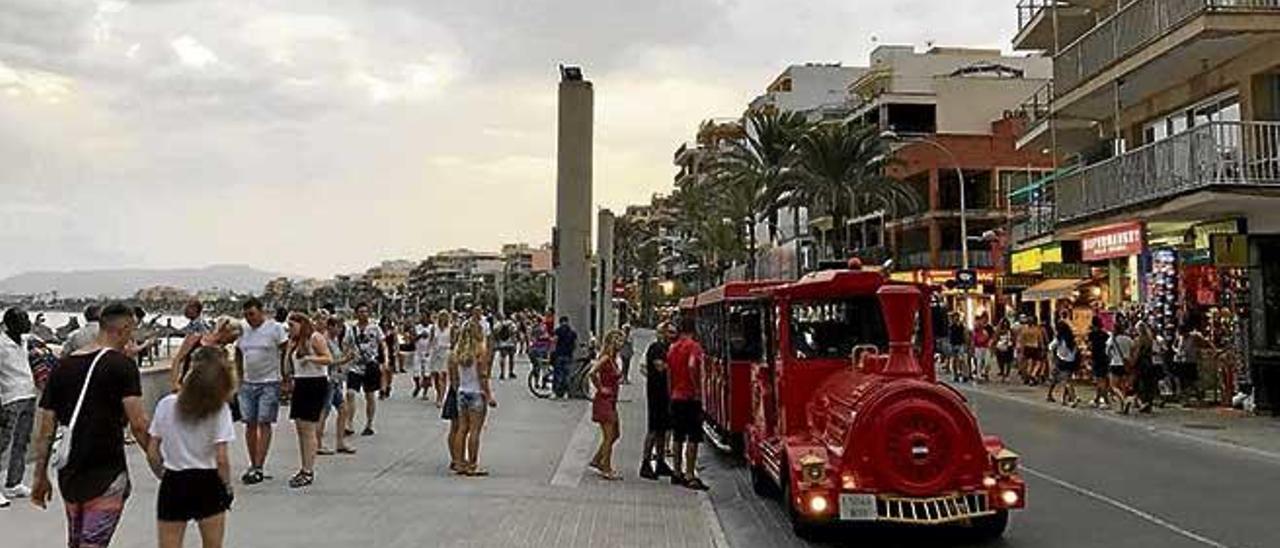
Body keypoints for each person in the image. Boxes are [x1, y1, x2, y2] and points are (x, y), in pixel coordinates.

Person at [31, 303, 152, 548]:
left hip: (70, 472)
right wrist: (160, 463)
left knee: (76, 542)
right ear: (125, 328)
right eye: (133, 329)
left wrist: (40, 476)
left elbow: (46, 429)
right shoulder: (123, 366)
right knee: (93, 543)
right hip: (106, 471)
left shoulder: (62, 367)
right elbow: (139, 425)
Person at [146, 347, 236, 548]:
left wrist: (162, 473)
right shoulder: (219, 409)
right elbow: (221, 458)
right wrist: (227, 487)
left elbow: (152, 451)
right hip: (208, 481)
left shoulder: (166, 404)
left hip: (175, 480)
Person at [228, 298, 287, 486]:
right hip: (247, 383)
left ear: (261, 312)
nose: (249, 318)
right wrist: (238, 375)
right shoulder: (243, 330)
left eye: (252, 314)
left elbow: (286, 350)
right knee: (249, 424)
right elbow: (237, 352)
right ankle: (253, 463)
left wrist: (286, 376)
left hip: (270, 382)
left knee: (264, 422)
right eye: (246, 315)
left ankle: (259, 466)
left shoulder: (275, 329)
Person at [284, 313, 333, 488]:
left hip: (315, 382)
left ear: (301, 324)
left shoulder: (315, 338)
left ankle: (308, 470)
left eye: (292, 326)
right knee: (300, 427)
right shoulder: (295, 342)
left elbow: (328, 358)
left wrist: (310, 358)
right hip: (301, 382)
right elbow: (288, 367)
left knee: (308, 428)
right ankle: (304, 465)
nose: (290, 329)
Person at [448, 320, 496, 476]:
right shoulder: (480, 351)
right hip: (476, 393)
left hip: (462, 392)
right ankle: (472, 464)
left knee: (462, 429)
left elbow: (454, 378)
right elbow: (483, 376)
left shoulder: (457, 352)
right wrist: (489, 396)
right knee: (475, 430)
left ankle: (459, 462)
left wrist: (457, 389)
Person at [667, 317, 709, 491]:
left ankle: (676, 471)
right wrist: (697, 389)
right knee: (693, 437)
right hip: (690, 397)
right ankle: (690, 474)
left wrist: (670, 392)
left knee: (677, 435)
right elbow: (692, 366)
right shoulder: (694, 347)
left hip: (676, 396)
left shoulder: (672, 348)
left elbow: (669, 373)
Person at [1, 308, 37, 507]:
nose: (27, 322)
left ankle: (14, 482)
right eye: (22, 319)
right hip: (9, 398)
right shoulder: (1, 344)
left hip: (28, 394)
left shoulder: (24, 341)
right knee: (2, 445)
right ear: (10, 323)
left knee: (22, 442)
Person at [640, 323, 676, 481]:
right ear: (661, 333)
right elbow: (660, 367)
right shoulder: (656, 348)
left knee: (663, 429)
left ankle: (660, 461)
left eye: (674, 332)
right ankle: (645, 462)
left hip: (667, 393)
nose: (672, 335)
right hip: (656, 393)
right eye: (669, 332)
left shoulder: (669, 348)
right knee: (654, 429)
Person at [589, 330, 625, 480]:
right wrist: (600, 387)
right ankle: (606, 468)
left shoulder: (613, 359)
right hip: (604, 400)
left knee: (616, 433)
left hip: (611, 401)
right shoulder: (605, 358)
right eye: (618, 340)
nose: (621, 343)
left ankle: (597, 459)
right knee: (609, 436)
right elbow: (592, 373)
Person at [347, 303, 388, 436]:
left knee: (369, 396)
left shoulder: (375, 328)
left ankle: (369, 424)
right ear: (356, 314)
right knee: (350, 393)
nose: (363, 314)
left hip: (371, 365)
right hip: (355, 366)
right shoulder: (352, 329)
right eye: (360, 311)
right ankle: (350, 423)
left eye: (365, 311)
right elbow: (346, 345)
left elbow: (383, 344)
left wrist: (385, 360)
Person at [318, 316, 356, 456]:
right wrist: (345, 359)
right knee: (324, 411)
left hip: (336, 380)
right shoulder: (325, 340)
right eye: (338, 327)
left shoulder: (335, 341)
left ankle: (340, 442)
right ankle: (318, 443)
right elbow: (328, 361)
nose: (340, 330)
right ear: (331, 327)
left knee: (343, 409)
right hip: (328, 380)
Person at [1046, 320, 1080, 406]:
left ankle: (1072, 397)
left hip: (1061, 361)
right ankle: (1064, 399)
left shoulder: (1060, 338)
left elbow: (1050, 347)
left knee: (1061, 380)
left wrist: (1052, 357)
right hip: (1071, 361)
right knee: (1066, 379)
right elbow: (1076, 350)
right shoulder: (1071, 339)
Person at [1107, 320, 1137, 414]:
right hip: (1126, 363)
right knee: (1123, 385)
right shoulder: (1128, 339)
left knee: (1114, 386)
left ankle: (1123, 400)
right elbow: (1133, 349)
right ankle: (1122, 407)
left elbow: (1107, 351)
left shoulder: (1112, 339)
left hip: (1115, 363)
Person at [1087, 316, 1112, 409]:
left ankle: (1105, 401)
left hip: (1096, 359)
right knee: (1102, 379)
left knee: (1100, 380)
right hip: (1104, 358)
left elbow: (1089, 346)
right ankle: (1097, 399)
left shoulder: (1092, 335)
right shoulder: (1105, 334)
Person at [551, 317, 578, 399]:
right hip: (568, 355)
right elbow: (575, 344)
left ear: (560, 322)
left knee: (558, 374)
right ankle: (566, 392)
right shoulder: (572, 332)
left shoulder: (558, 331)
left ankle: (556, 393)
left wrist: (551, 352)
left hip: (559, 355)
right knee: (567, 375)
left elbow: (554, 342)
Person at [412, 312, 434, 399]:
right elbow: (412, 339)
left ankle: (425, 393)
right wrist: (420, 335)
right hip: (418, 352)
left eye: (425, 317)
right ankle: (417, 385)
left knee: (427, 373)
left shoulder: (432, 327)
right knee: (416, 372)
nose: (423, 319)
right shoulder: (417, 327)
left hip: (428, 352)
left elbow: (433, 339)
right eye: (422, 317)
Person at [378, 317, 398, 400]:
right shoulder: (379, 331)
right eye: (384, 322)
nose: (385, 324)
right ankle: (382, 390)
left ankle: (388, 386)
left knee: (389, 372)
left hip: (390, 352)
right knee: (382, 372)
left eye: (387, 322)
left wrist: (396, 351)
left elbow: (396, 342)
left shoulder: (393, 332)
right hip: (380, 352)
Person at [493, 314, 517, 380]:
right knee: (511, 358)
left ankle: (502, 373)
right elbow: (514, 332)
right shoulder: (512, 323)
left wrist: (497, 340)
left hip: (502, 343)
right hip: (511, 343)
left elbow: (494, 331)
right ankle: (511, 372)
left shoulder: (499, 324)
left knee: (502, 357)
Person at [971, 315, 994, 383]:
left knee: (987, 361)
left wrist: (990, 342)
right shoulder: (976, 331)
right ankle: (979, 375)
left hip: (986, 347)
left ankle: (984, 373)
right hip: (978, 347)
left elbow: (991, 336)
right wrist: (972, 347)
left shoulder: (987, 329)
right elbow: (973, 339)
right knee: (979, 361)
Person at [994, 318, 1015, 382]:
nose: (1005, 325)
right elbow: (996, 338)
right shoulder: (998, 331)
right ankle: (1003, 373)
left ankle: (1007, 374)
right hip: (1000, 347)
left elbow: (1012, 338)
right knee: (1001, 361)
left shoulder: (1010, 331)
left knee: (1008, 361)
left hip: (1008, 347)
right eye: (1004, 324)